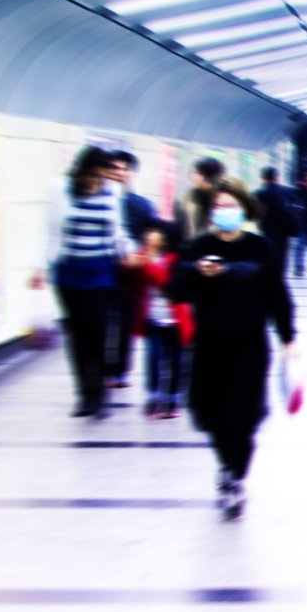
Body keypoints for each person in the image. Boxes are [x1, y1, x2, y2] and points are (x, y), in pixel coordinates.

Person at [168, 180, 294, 519]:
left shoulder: (261, 248)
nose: (225, 212)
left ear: (244, 207)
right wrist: (196, 271)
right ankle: (226, 466)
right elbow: (175, 291)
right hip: (209, 345)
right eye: (219, 206)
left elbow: (277, 296)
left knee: (243, 415)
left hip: (250, 344)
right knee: (213, 414)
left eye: (231, 205)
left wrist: (288, 338)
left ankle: (235, 475)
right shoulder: (200, 246)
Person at [32, 145, 134, 420]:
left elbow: (117, 229)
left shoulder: (112, 191)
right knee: (77, 335)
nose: (97, 180)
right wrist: (40, 267)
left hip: (101, 271)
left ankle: (100, 393)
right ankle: (85, 395)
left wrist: (129, 251)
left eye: (101, 175)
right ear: (82, 170)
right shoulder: (60, 188)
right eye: (92, 174)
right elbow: (50, 232)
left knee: (98, 332)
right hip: (69, 272)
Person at [104, 150, 165, 390]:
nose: (119, 174)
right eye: (114, 169)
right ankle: (104, 368)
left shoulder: (141, 205)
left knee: (127, 321)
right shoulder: (98, 201)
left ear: (132, 173)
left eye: (123, 169)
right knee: (102, 321)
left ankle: (119, 370)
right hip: (103, 269)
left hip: (132, 273)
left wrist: (143, 258)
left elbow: (153, 236)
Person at [138, 227, 191, 420]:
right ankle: (154, 398)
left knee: (176, 362)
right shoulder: (145, 257)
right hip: (153, 319)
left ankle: (173, 398)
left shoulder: (175, 260)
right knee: (153, 359)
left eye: (154, 241)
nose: (150, 244)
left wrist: (150, 264)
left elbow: (168, 285)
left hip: (175, 321)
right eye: (147, 241)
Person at [255, 167, 303, 275]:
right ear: (277, 177)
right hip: (284, 229)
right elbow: (297, 207)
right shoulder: (287, 191)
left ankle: (270, 274)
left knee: (268, 252)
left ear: (263, 178)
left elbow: (255, 212)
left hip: (267, 228)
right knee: (283, 254)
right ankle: (279, 276)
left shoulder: (260, 193)